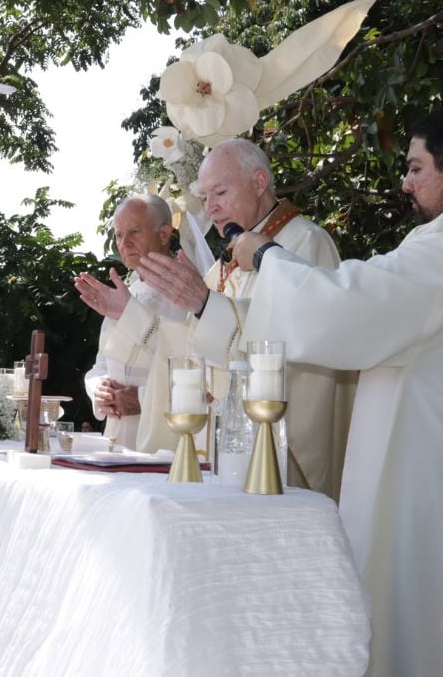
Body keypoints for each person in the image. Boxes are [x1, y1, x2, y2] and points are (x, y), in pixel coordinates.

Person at [232, 104, 443, 676]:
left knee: (400, 627)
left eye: (416, 168)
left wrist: (265, 257)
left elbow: (346, 306)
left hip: (420, 471)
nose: (406, 182)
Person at [131, 139, 354, 498]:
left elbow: (302, 338)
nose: (212, 207)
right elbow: (190, 344)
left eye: (219, 192)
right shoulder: (225, 263)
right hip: (223, 446)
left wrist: (206, 305)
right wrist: (127, 315)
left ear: (259, 183)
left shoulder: (304, 244)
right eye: (204, 198)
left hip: (277, 452)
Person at [76, 194, 191, 452]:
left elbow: (194, 372)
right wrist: (100, 390)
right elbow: (100, 365)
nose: (124, 243)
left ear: (164, 234)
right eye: (118, 235)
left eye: (134, 232)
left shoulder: (189, 292)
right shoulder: (125, 293)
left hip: (164, 436)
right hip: (116, 435)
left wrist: (140, 399)